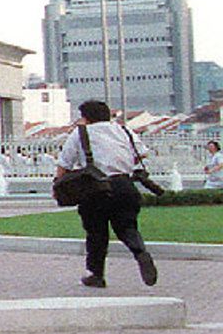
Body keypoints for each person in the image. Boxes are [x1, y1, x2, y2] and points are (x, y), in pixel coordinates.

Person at [57, 100, 158, 289]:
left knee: (96, 233)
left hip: (95, 189)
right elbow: (142, 154)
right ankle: (140, 252)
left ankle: (96, 275)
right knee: (127, 227)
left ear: (86, 118)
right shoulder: (124, 131)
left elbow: (64, 164)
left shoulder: (80, 133)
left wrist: (57, 187)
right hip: (125, 186)